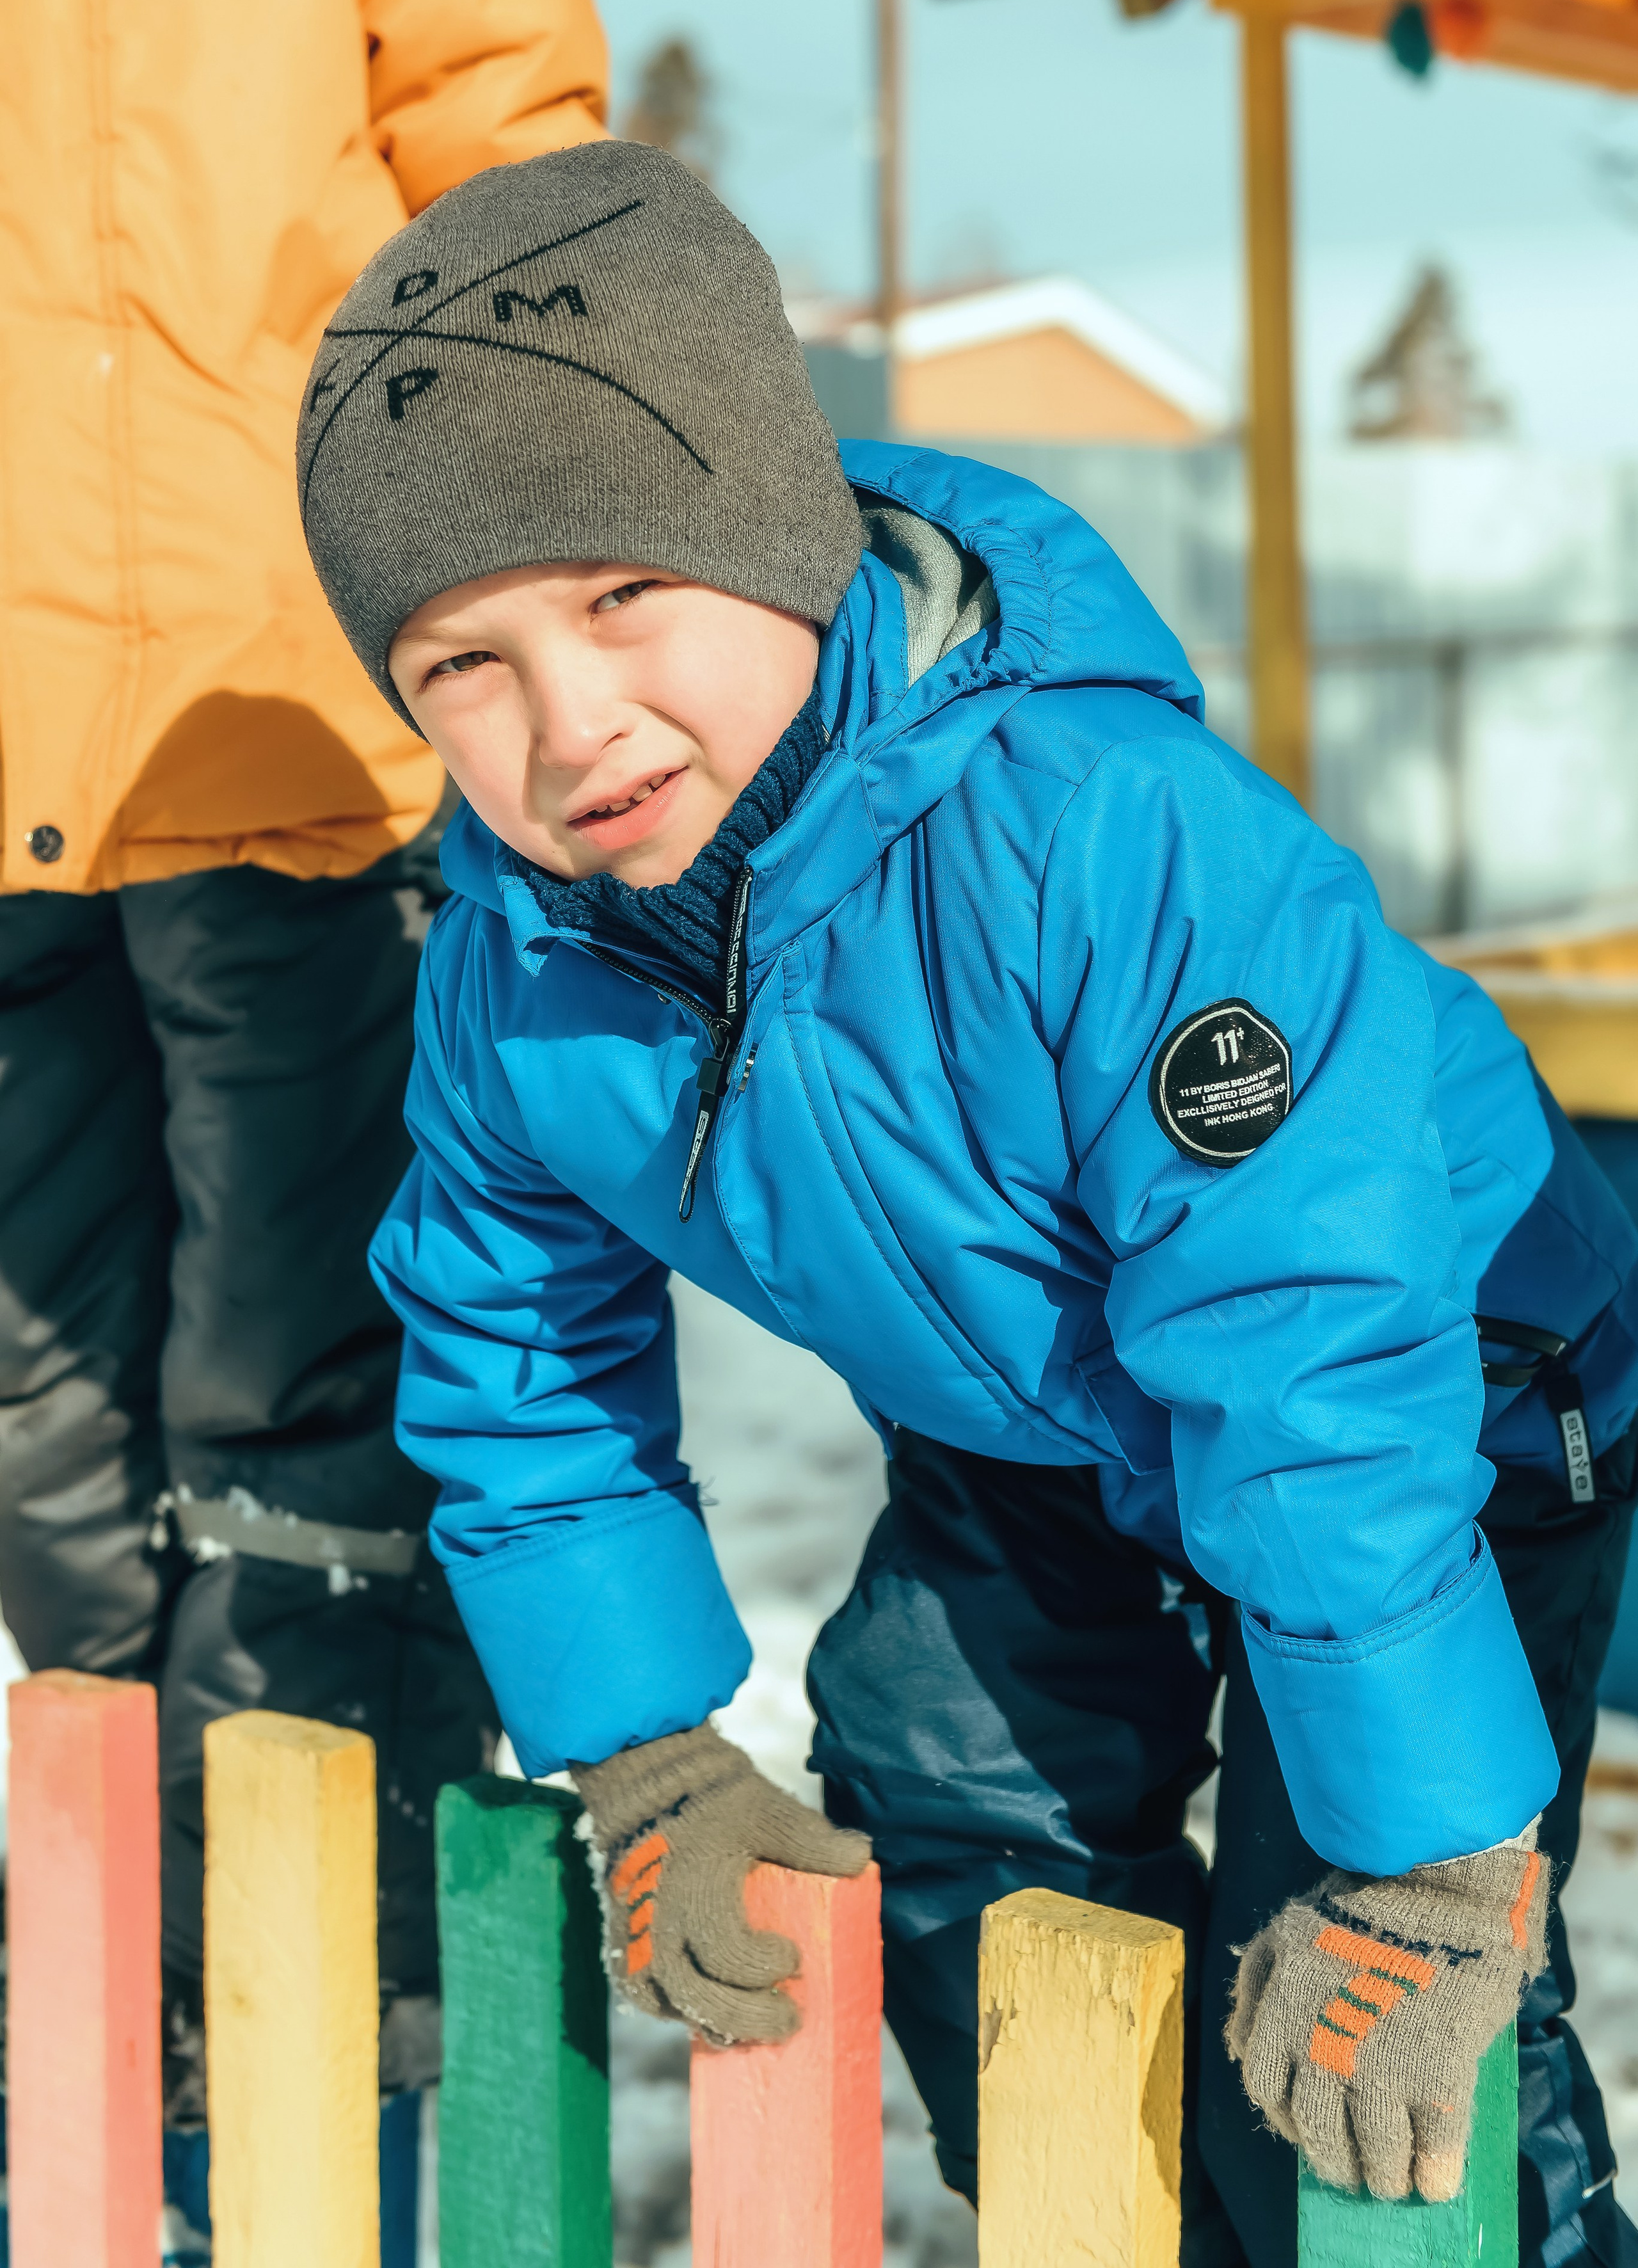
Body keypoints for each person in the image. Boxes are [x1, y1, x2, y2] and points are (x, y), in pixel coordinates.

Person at [296, 141, 1638, 2268]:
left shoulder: (1097, 830)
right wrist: (648, 1751)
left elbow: (1307, 1329)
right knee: (947, 1778)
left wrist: (1419, 1852)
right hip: (1040, 1399)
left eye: (623, 593)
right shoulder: (516, 973)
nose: (568, 720)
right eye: (462, 661)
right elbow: (516, 1363)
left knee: (1354, 1983)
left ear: (773, 526)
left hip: (1431, 1373)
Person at [0, 0, 605, 2143]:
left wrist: (535, 626)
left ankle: (322, 1989)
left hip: (298, 732)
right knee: (43, 1420)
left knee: (302, 1379)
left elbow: (523, 204)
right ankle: (133, 1981)